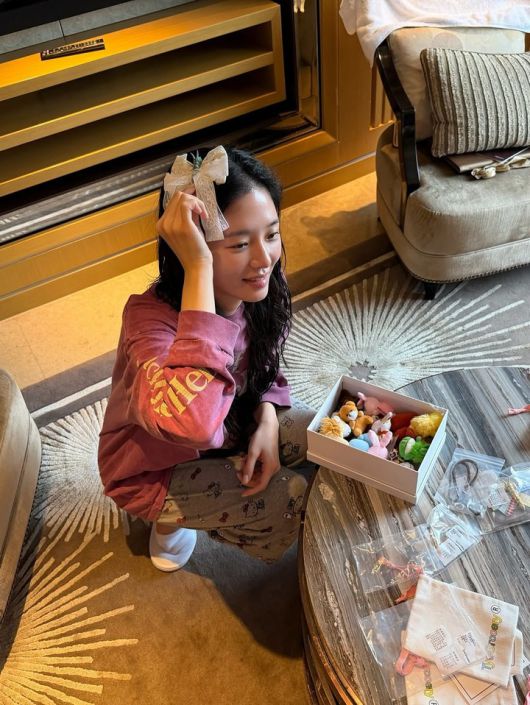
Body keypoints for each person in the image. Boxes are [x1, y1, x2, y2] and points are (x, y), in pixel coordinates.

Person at [98, 145, 314, 572]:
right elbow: (191, 425)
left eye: (271, 235)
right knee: (287, 499)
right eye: (240, 244)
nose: (263, 260)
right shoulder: (148, 324)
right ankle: (168, 521)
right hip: (160, 465)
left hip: (229, 421)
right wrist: (198, 267)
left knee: (320, 436)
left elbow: (263, 364)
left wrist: (268, 418)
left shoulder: (258, 285)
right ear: (190, 246)